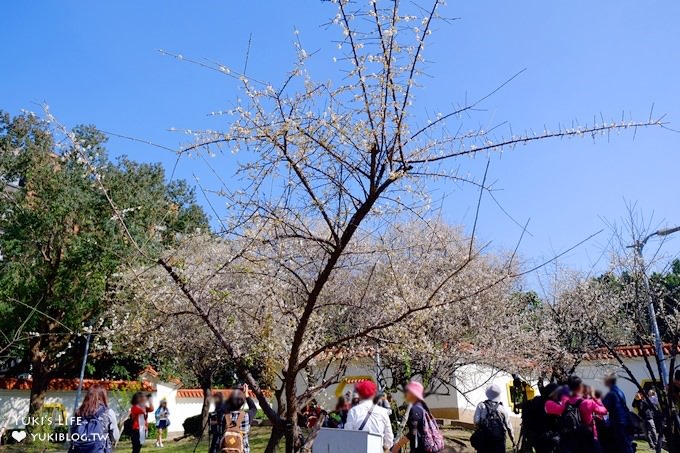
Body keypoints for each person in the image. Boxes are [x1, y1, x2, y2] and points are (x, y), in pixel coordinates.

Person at [545, 375, 607, 453]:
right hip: (589, 438)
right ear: (580, 387)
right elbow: (604, 411)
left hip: (574, 439)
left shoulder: (566, 403)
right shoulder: (587, 403)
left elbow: (554, 409)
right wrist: (596, 398)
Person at [391, 381, 444, 453]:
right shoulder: (423, 407)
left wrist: (398, 446)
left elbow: (413, 432)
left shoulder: (415, 409)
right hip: (428, 447)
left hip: (420, 448)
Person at [345, 380, 394, 451]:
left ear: (359, 394)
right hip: (377, 450)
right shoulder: (383, 412)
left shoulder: (353, 411)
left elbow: (347, 435)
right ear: (374, 394)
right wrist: (384, 447)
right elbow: (389, 438)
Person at [69, 385, 119, 453]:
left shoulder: (78, 412)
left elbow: (71, 434)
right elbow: (115, 436)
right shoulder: (108, 412)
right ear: (104, 397)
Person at [470, 384, 515, 453]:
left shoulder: (481, 405)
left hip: (484, 440)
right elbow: (509, 426)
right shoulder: (502, 408)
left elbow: (476, 421)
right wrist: (513, 440)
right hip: (499, 442)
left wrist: (479, 431)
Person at [520, 383, 560, 453]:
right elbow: (557, 424)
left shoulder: (536, 401)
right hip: (547, 439)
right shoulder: (551, 405)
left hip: (535, 438)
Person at [220, 384, 257, 453]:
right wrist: (246, 395)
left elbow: (223, 408)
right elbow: (254, 409)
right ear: (243, 403)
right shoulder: (246, 416)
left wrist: (231, 396)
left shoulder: (224, 417)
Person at [602, 374, 634, 453]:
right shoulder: (620, 391)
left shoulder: (611, 393)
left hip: (617, 421)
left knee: (622, 444)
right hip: (624, 420)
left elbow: (604, 407)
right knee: (625, 443)